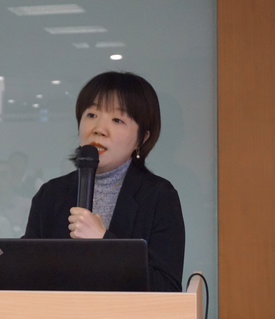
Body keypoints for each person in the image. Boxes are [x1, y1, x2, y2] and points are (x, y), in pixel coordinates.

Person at [23, 71, 185, 292]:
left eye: (117, 120)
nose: (99, 129)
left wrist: (105, 242)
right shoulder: (51, 194)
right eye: (91, 115)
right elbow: (26, 275)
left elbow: (166, 288)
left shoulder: (159, 196)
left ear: (142, 138)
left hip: (127, 316)